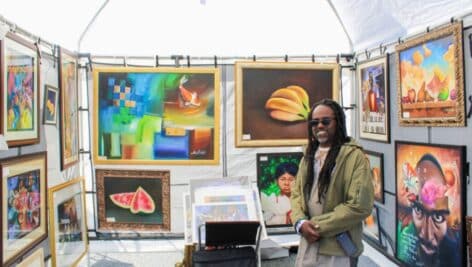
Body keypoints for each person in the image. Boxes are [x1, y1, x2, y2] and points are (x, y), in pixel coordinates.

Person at [290, 98, 374, 267]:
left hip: (337, 248)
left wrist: (315, 227)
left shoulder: (354, 157)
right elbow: (297, 193)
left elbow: (359, 206)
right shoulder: (308, 155)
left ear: (339, 122)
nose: (319, 126)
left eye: (325, 121)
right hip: (309, 243)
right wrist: (300, 223)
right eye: (314, 122)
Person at [397, 154, 460, 267]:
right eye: (418, 210)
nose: (427, 234)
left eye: (437, 217)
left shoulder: (457, 245)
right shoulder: (404, 235)